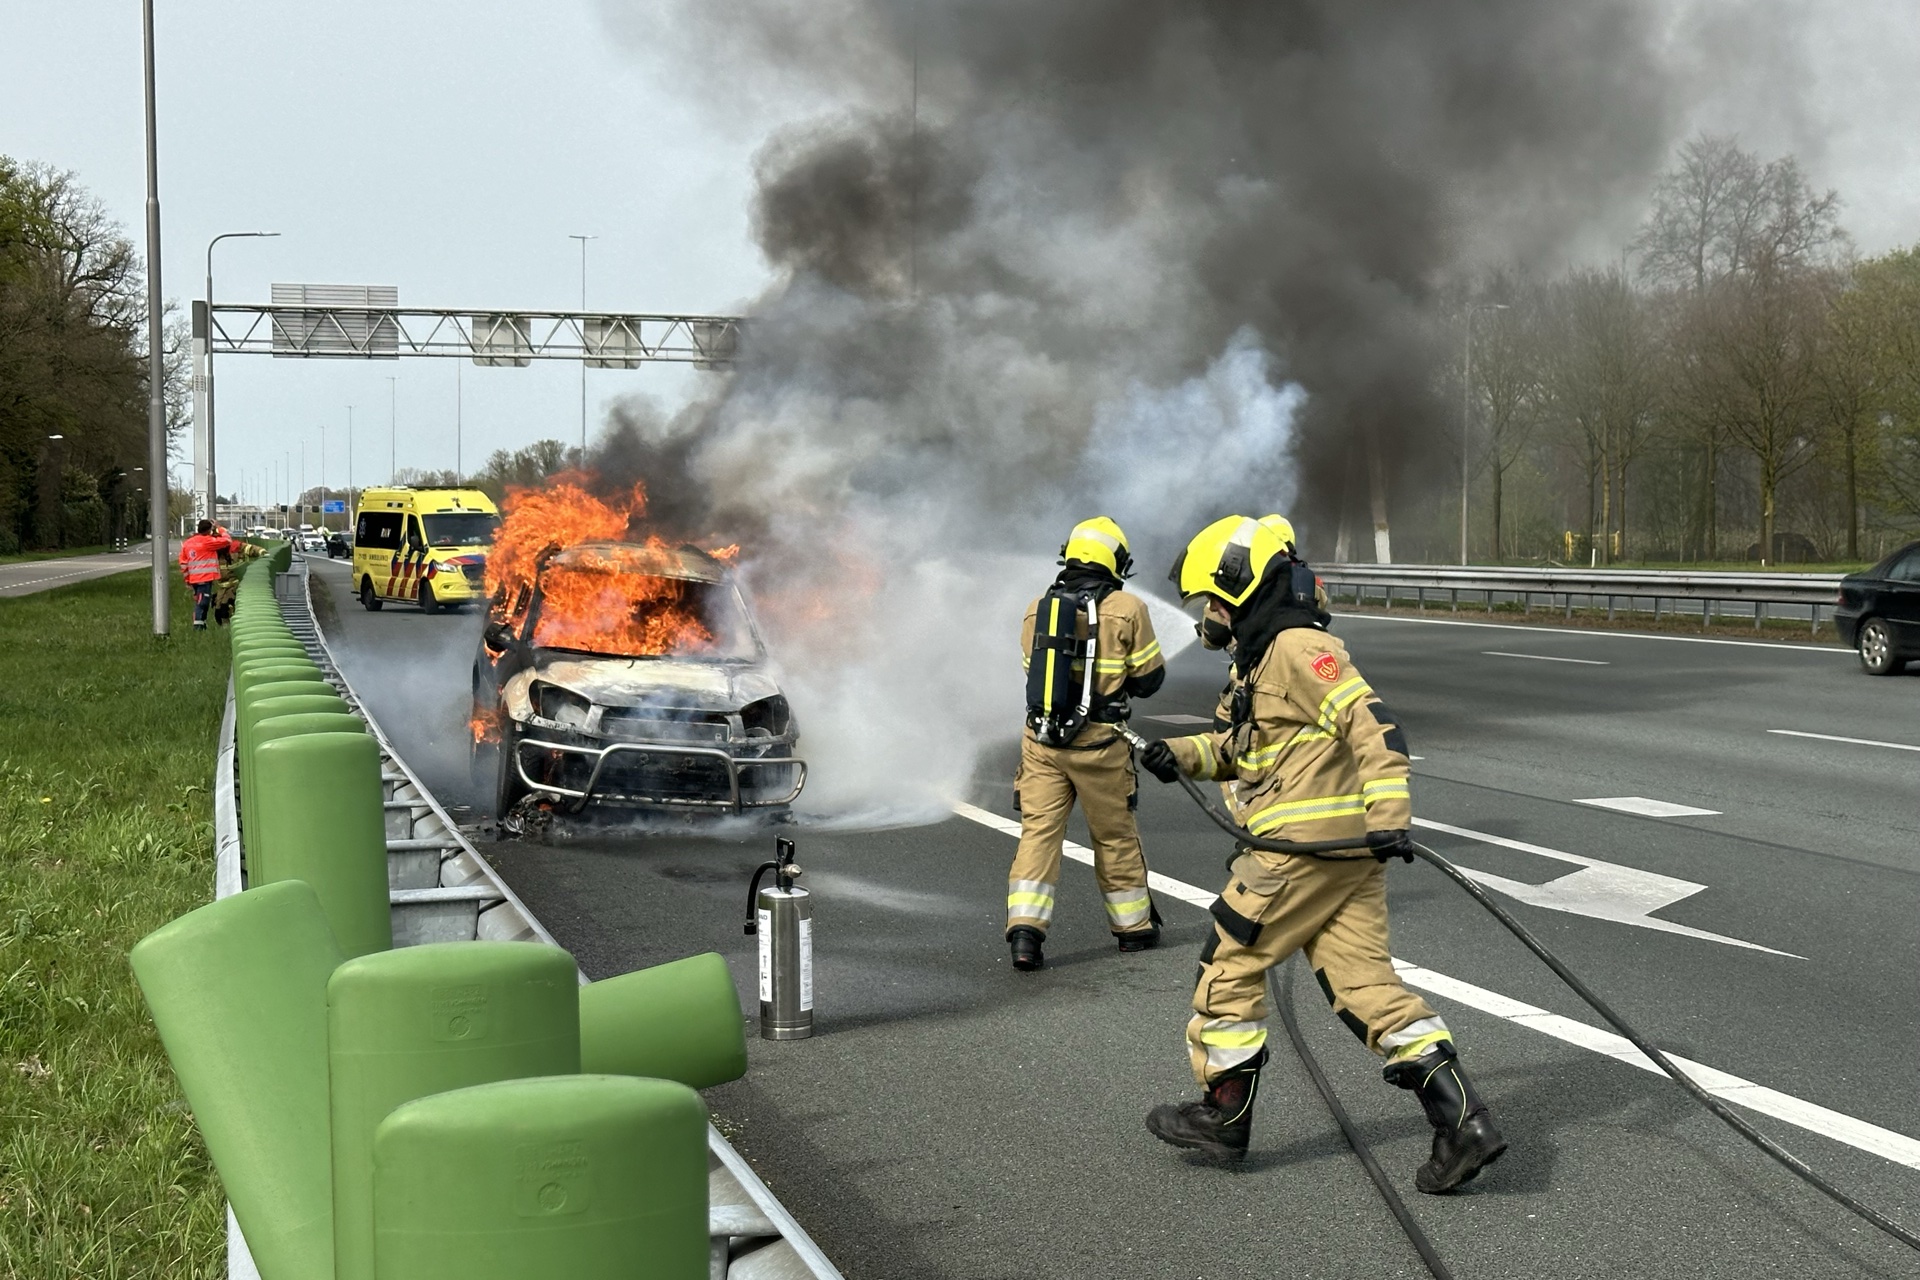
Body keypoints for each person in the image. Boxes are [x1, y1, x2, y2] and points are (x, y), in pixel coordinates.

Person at [1138, 515, 1505, 1193]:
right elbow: (1235, 752)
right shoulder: (1255, 664)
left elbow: (1374, 723)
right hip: (1344, 861)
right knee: (1369, 991)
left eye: (1213, 600)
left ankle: (1226, 1114)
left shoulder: (1297, 648)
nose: (1207, 616)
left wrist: (1392, 816)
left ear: (1241, 585)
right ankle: (1464, 1124)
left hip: (1296, 853)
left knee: (1225, 965)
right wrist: (1178, 756)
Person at [1007, 517, 1167, 971]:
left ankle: (1025, 934)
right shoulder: (1127, 608)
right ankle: (1133, 929)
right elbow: (1150, 679)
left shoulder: (1038, 607)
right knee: (1114, 836)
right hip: (1100, 746)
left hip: (1042, 745)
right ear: (1116, 561)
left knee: (1039, 835)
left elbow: (1030, 670)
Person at [178, 520, 237, 630]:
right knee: (203, 602)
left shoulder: (188, 543)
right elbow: (227, 540)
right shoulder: (208, 541)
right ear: (209, 530)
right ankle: (198, 626)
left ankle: (202, 624)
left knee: (201, 600)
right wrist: (220, 528)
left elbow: (183, 563)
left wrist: (187, 580)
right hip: (205, 578)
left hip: (194, 579)